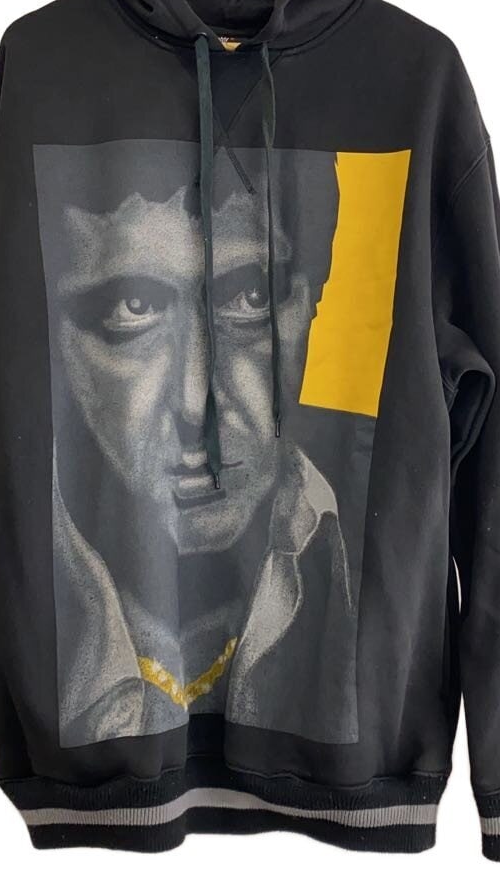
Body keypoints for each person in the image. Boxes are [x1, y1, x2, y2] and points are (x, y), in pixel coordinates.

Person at [34, 138, 361, 746]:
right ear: (54, 336)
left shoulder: (366, 557)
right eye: (132, 307)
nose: (194, 402)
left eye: (250, 297)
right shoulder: (19, 569)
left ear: (313, 298)